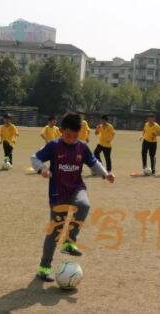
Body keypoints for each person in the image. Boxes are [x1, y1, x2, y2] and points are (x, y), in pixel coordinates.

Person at [30, 112, 115, 282]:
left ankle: (69, 241)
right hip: (58, 193)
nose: (71, 139)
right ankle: (44, 268)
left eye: (75, 136)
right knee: (55, 231)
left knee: (84, 205)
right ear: (61, 131)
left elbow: (94, 163)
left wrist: (106, 174)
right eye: (68, 135)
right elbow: (35, 158)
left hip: (76, 188)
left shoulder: (82, 147)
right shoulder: (54, 146)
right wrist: (42, 169)